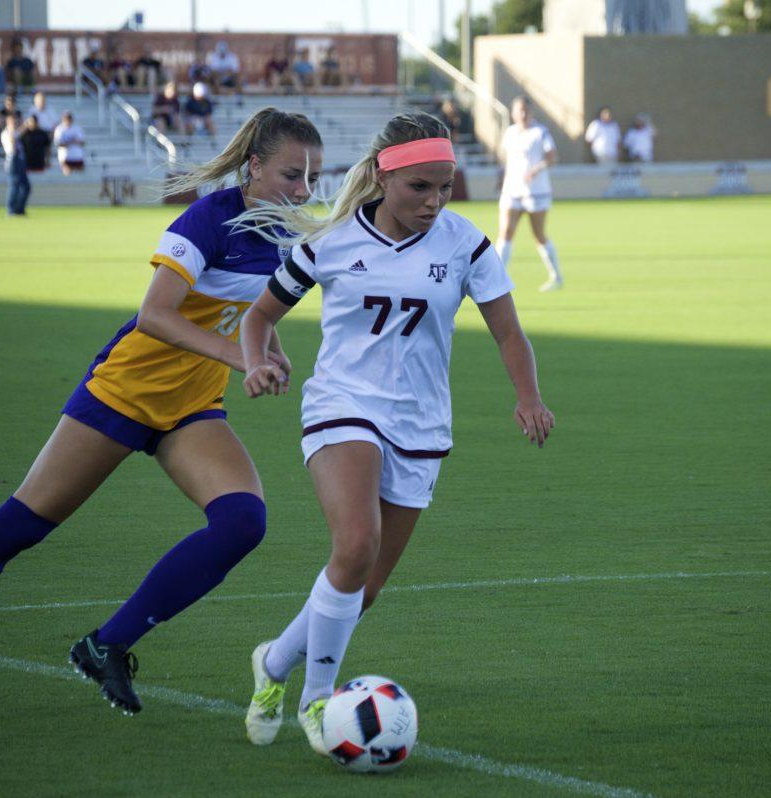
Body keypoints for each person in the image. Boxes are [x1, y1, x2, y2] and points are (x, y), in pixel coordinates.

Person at [0, 107, 326, 729]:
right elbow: (154, 315)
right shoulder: (207, 219)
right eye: (291, 175)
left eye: (312, 179)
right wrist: (241, 357)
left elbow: (256, 314)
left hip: (190, 408)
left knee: (243, 521)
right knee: (20, 526)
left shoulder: (282, 232)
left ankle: (106, 643)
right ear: (253, 167)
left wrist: (270, 351)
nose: (304, 191)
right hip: (123, 393)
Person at [235, 112, 554, 756]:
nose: (434, 202)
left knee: (364, 585)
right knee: (354, 544)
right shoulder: (331, 243)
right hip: (342, 405)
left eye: (445, 187)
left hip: (421, 424)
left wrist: (528, 397)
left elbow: (508, 332)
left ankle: (273, 664)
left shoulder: (465, 244)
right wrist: (258, 359)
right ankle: (316, 704)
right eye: (420, 189)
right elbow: (260, 315)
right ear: (385, 176)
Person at [496, 96, 564, 292]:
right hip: (512, 190)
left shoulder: (540, 132)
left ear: (531, 112)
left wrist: (536, 169)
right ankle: (498, 277)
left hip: (536, 192)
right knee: (505, 234)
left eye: (526, 110)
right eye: (520, 110)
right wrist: (502, 177)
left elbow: (552, 157)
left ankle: (556, 276)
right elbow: (506, 160)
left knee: (539, 235)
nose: (523, 114)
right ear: (513, 112)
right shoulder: (509, 133)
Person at [1, 112, 30, 216]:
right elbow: (12, 142)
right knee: (14, 186)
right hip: (13, 160)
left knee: (26, 186)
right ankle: (10, 210)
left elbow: (21, 132)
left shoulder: (15, 132)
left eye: (15, 121)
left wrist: (25, 125)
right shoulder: (6, 133)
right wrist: (22, 128)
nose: (15, 123)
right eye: (12, 121)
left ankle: (20, 209)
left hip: (20, 160)